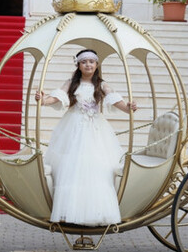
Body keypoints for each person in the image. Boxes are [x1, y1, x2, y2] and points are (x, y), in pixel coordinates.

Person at [35, 49, 137, 226]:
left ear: (96, 65)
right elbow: (56, 97)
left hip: (95, 129)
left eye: (91, 61)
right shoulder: (71, 83)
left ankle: (96, 211)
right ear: (78, 65)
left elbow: (116, 101)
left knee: (96, 167)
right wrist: (43, 100)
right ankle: (69, 211)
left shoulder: (101, 84)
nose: (88, 65)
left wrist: (129, 107)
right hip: (73, 127)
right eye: (84, 62)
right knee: (72, 168)